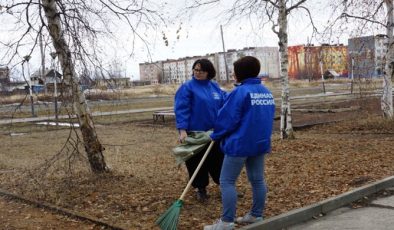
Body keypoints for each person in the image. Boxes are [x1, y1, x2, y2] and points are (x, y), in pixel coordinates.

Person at [204, 56, 275, 230]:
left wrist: (216, 135)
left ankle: (226, 222)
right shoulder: (266, 91)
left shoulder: (240, 92)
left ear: (240, 73)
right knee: (257, 179)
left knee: (227, 181)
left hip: (240, 144)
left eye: (234, 71)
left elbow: (228, 118)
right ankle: (256, 215)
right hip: (259, 143)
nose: (233, 74)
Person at [174, 58, 226, 202]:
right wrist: (182, 130)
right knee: (196, 162)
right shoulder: (187, 87)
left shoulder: (214, 87)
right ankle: (200, 189)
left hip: (214, 133)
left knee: (218, 161)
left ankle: (225, 187)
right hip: (195, 133)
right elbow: (181, 109)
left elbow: (225, 102)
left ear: (208, 72)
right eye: (195, 70)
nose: (197, 73)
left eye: (201, 71)